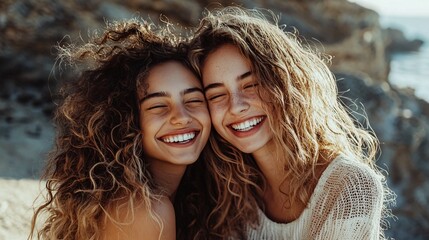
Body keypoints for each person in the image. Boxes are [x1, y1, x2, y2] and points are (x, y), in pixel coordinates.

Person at [189, 6, 394, 239]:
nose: (236, 106)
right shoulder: (228, 190)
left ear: (286, 84)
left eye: (251, 85)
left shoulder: (350, 187)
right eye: (216, 95)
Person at [29, 18, 214, 240]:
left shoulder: (164, 197)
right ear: (126, 120)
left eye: (193, 100)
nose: (181, 118)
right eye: (157, 106)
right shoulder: (146, 211)